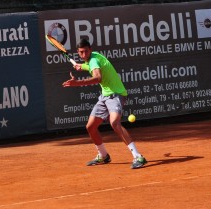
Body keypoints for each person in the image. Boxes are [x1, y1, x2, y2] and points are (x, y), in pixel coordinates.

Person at [62, 38, 147, 169]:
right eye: (81, 52)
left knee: (114, 123)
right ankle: (103, 155)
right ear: (78, 52)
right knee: (90, 127)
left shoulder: (94, 60)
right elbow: (89, 66)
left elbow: (98, 78)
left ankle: (138, 156)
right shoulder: (93, 58)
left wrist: (77, 83)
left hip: (116, 94)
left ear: (90, 49)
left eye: (86, 52)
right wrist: (81, 66)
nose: (83, 55)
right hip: (105, 96)